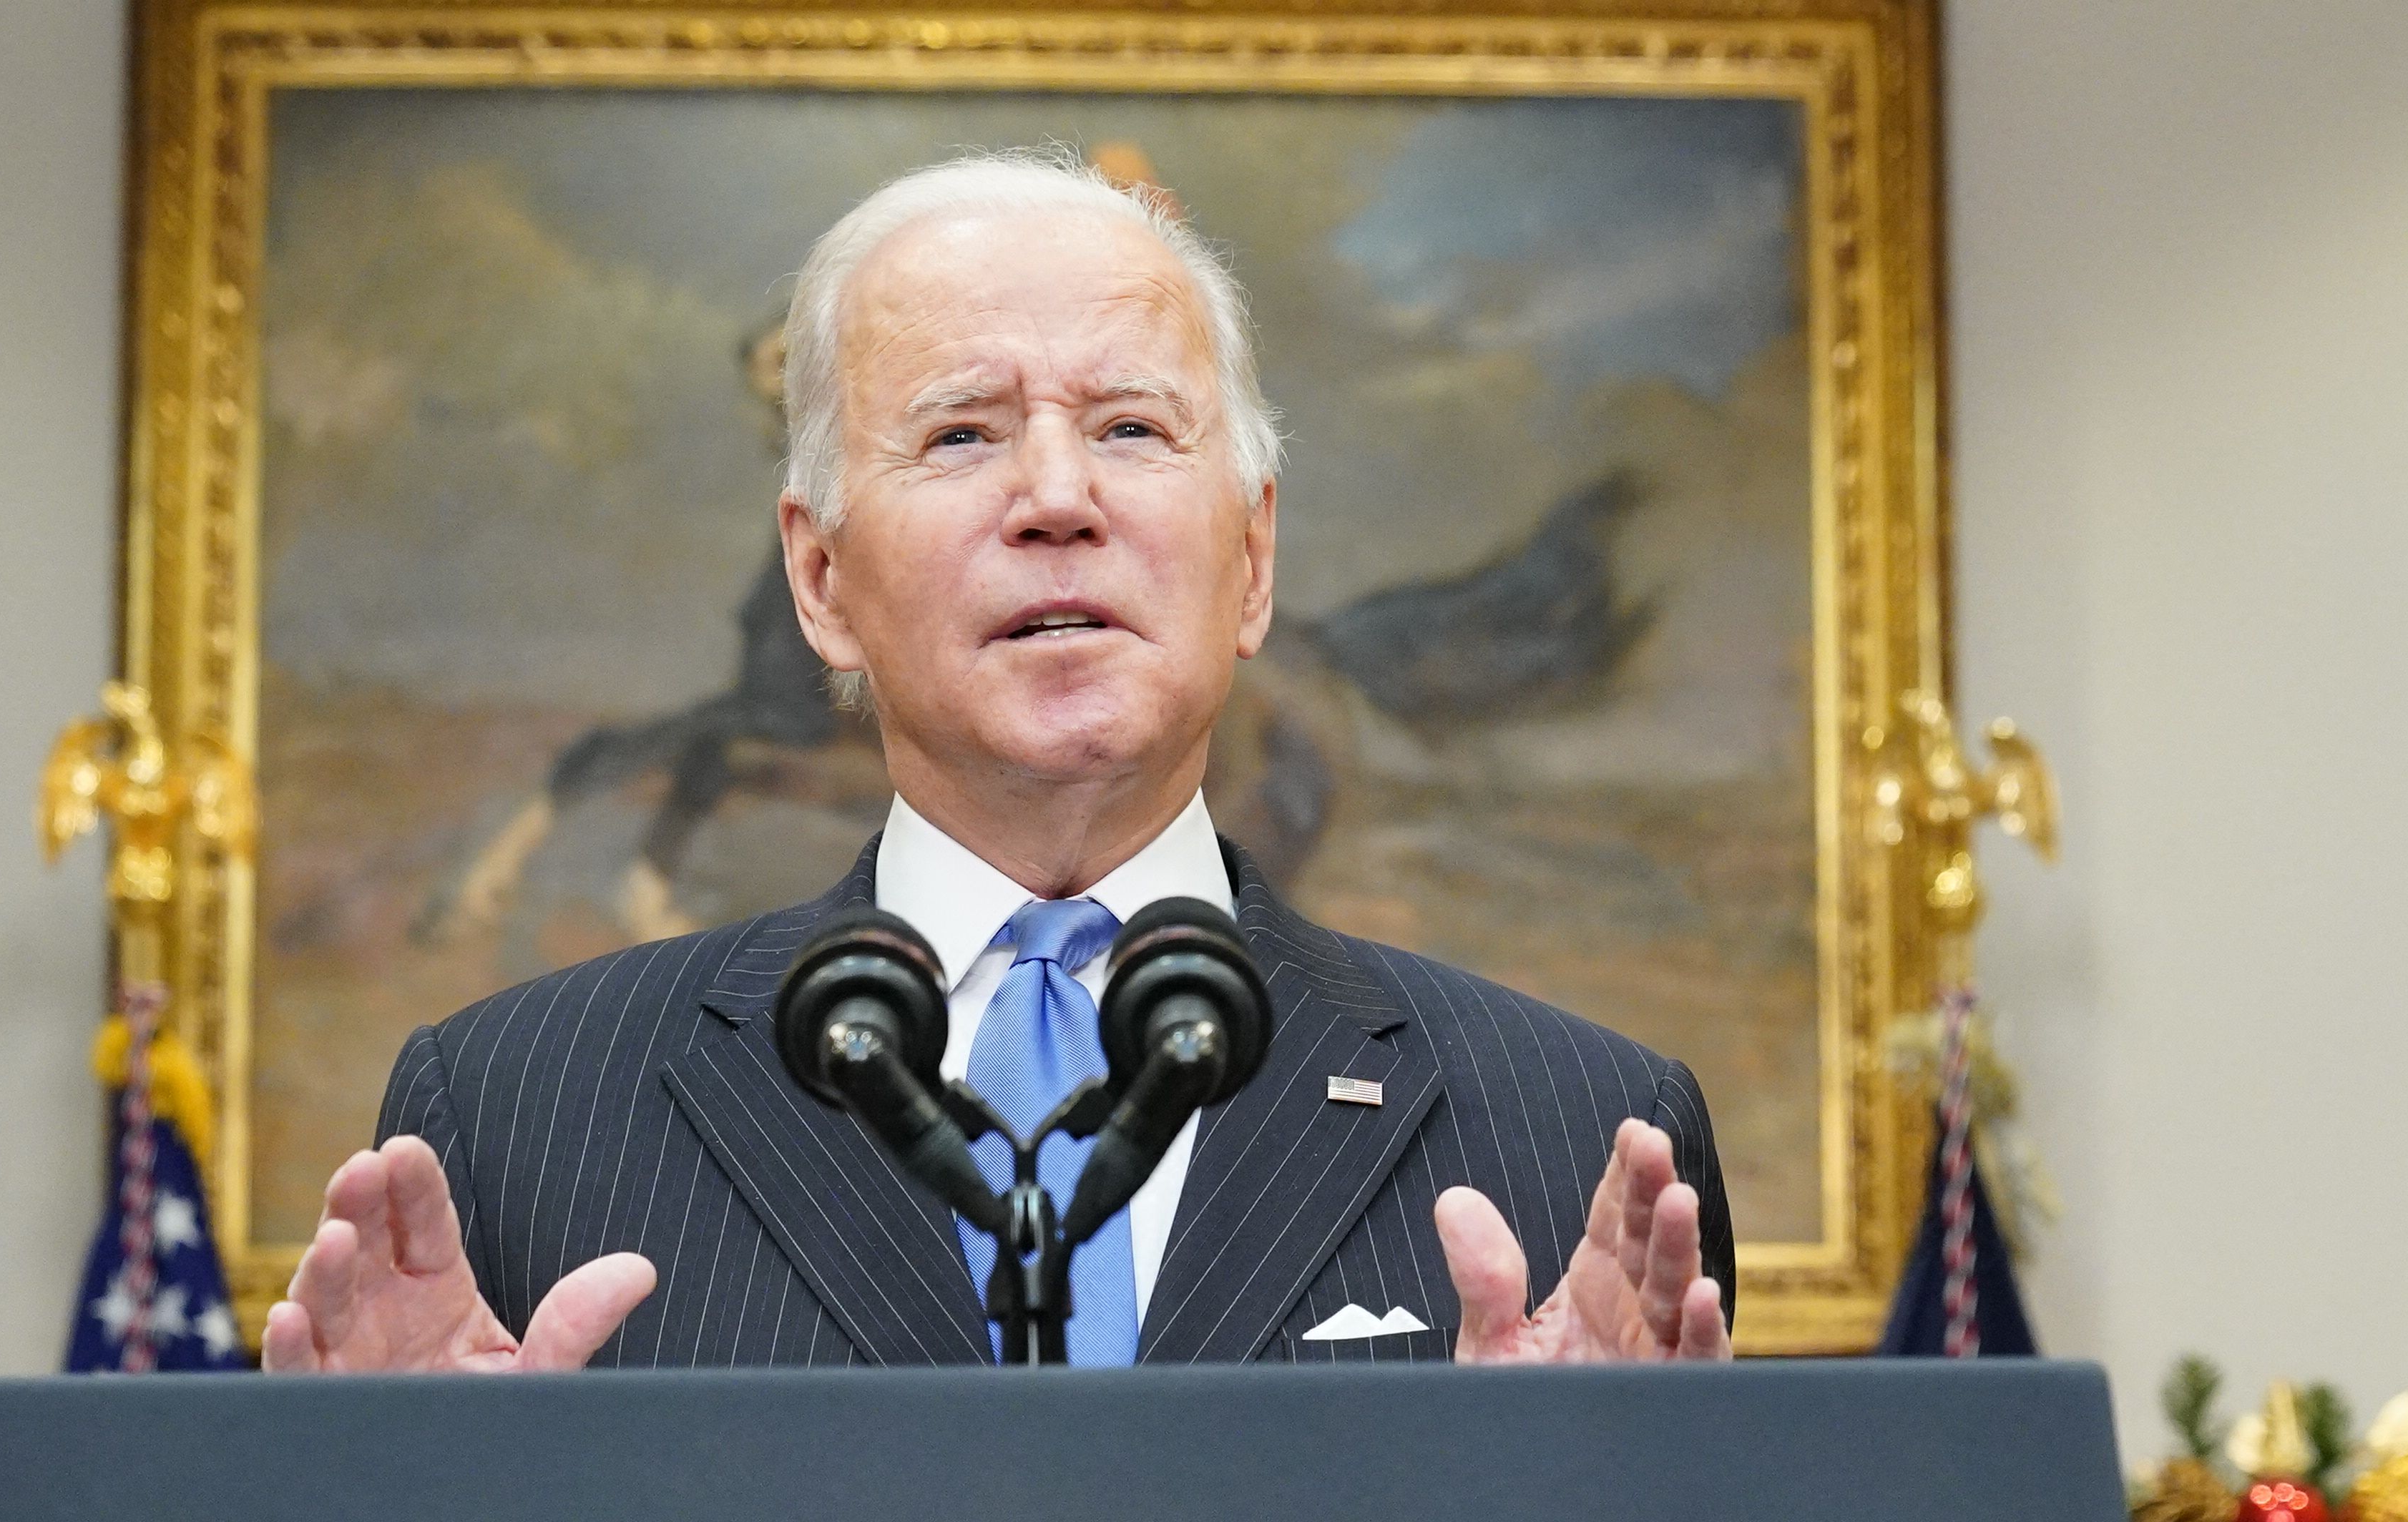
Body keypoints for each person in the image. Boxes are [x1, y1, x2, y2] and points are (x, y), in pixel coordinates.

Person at [263, 149, 1733, 1376]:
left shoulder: (1578, 1137)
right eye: (961, 433)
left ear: (1256, 557)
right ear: (822, 577)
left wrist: (1593, 1505)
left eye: (1133, 428)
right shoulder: (516, 1115)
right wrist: (403, 1509)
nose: (1056, 495)